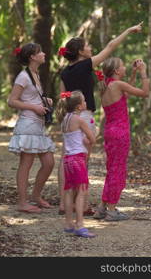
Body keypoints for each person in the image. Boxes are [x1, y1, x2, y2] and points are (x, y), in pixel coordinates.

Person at [57, 22, 143, 214]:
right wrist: (128, 30)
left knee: (67, 158)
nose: (90, 48)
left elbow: (62, 96)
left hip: (68, 117)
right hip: (84, 117)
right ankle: (83, 204)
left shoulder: (65, 72)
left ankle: (64, 203)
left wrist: (64, 119)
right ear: (80, 52)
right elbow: (111, 46)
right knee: (82, 161)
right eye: (87, 46)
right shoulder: (85, 65)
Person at [93, 57, 150, 221]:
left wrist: (133, 73)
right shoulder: (117, 85)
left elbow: (126, 92)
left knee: (112, 169)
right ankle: (111, 210)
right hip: (120, 133)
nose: (125, 67)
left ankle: (102, 208)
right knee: (118, 169)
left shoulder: (107, 86)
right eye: (123, 66)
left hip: (110, 132)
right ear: (117, 71)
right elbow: (144, 93)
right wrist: (143, 72)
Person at [8, 43, 55, 213]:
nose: (43, 54)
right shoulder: (23, 76)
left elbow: (31, 96)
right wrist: (34, 107)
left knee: (49, 162)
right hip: (28, 125)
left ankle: (35, 196)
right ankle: (22, 202)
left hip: (39, 126)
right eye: (40, 52)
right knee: (26, 164)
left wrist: (45, 101)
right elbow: (12, 101)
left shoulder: (35, 74)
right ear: (32, 57)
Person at [55, 90, 96, 238]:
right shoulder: (79, 120)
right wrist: (89, 137)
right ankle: (79, 224)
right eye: (84, 101)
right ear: (79, 106)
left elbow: (71, 138)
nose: (86, 103)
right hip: (78, 159)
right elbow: (92, 139)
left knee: (68, 191)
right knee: (81, 191)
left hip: (67, 160)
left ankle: (68, 223)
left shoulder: (65, 119)